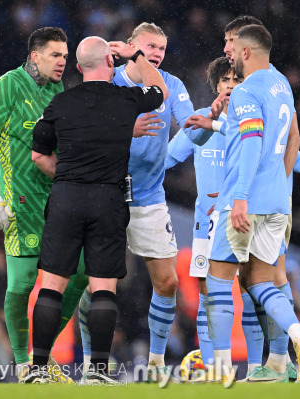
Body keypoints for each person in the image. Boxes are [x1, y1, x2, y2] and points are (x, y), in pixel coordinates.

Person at [23, 36, 167, 385]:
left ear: (76, 67)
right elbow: (159, 91)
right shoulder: (126, 98)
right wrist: (134, 54)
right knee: (103, 288)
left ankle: (38, 369)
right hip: (108, 199)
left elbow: (38, 155)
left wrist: (71, 177)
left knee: (52, 285)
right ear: (110, 60)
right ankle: (98, 372)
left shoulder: (59, 103)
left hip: (67, 197)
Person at [77, 22, 211, 383]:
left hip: (149, 197)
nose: (156, 54)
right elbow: (85, 133)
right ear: (130, 46)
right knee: (98, 286)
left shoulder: (172, 86)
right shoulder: (109, 80)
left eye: (162, 49)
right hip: (107, 194)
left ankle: (154, 362)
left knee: (167, 283)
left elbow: (192, 130)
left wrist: (210, 118)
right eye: (150, 46)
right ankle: (93, 363)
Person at [206, 24, 300, 384]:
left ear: (246, 52)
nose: (229, 54)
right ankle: (298, 342)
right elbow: (295, 139)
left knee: (218, 277)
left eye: (232, 48)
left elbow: (253, 143)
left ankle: (222, 371)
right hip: (277, 201)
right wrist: (278, 181)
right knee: (261, 281)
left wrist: (240, 196)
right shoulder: (282, 83)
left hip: (247, 199)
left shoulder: (246, 92)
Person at [0, 27, 88, 378]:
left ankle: (42, 355)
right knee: (22, 285)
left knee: (81, 274)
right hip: (19, 202)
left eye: (65, 56)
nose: (62, 62)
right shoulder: (5, 86)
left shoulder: (57, 89)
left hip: (56, 200)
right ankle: (24, 364)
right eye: (55, 55)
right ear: (34, 55)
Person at [165, 56, 240, 369]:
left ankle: (273, 361)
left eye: (238, 81)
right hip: (206, 222)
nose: (232, 87)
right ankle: (211, 364)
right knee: (208, 293)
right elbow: (168, 158)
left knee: (253, 288)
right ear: (217, 86)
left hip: (243, 218)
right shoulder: (197, 119)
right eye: (227, 81)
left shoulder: (253, 124)